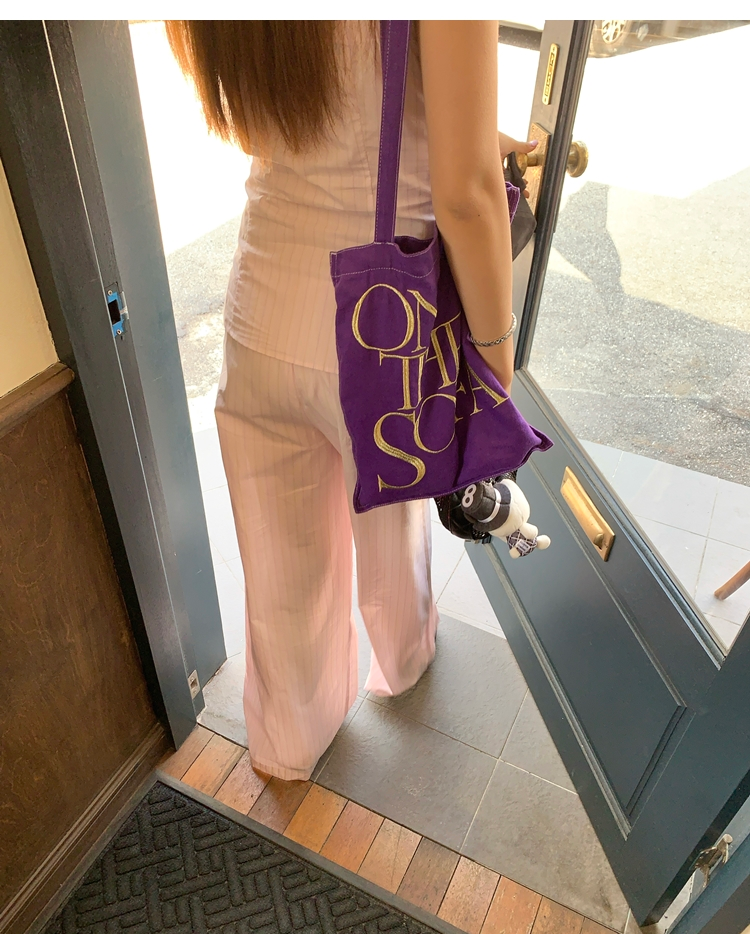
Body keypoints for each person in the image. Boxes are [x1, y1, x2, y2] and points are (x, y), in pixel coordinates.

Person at [167, 20, 535, 780]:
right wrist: (496, 361)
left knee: (279, 558)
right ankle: (403, 657)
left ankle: (287, 747)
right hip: (378, 318)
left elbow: (323, 103)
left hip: (260, 307)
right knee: (392, 506)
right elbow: (467, 197)